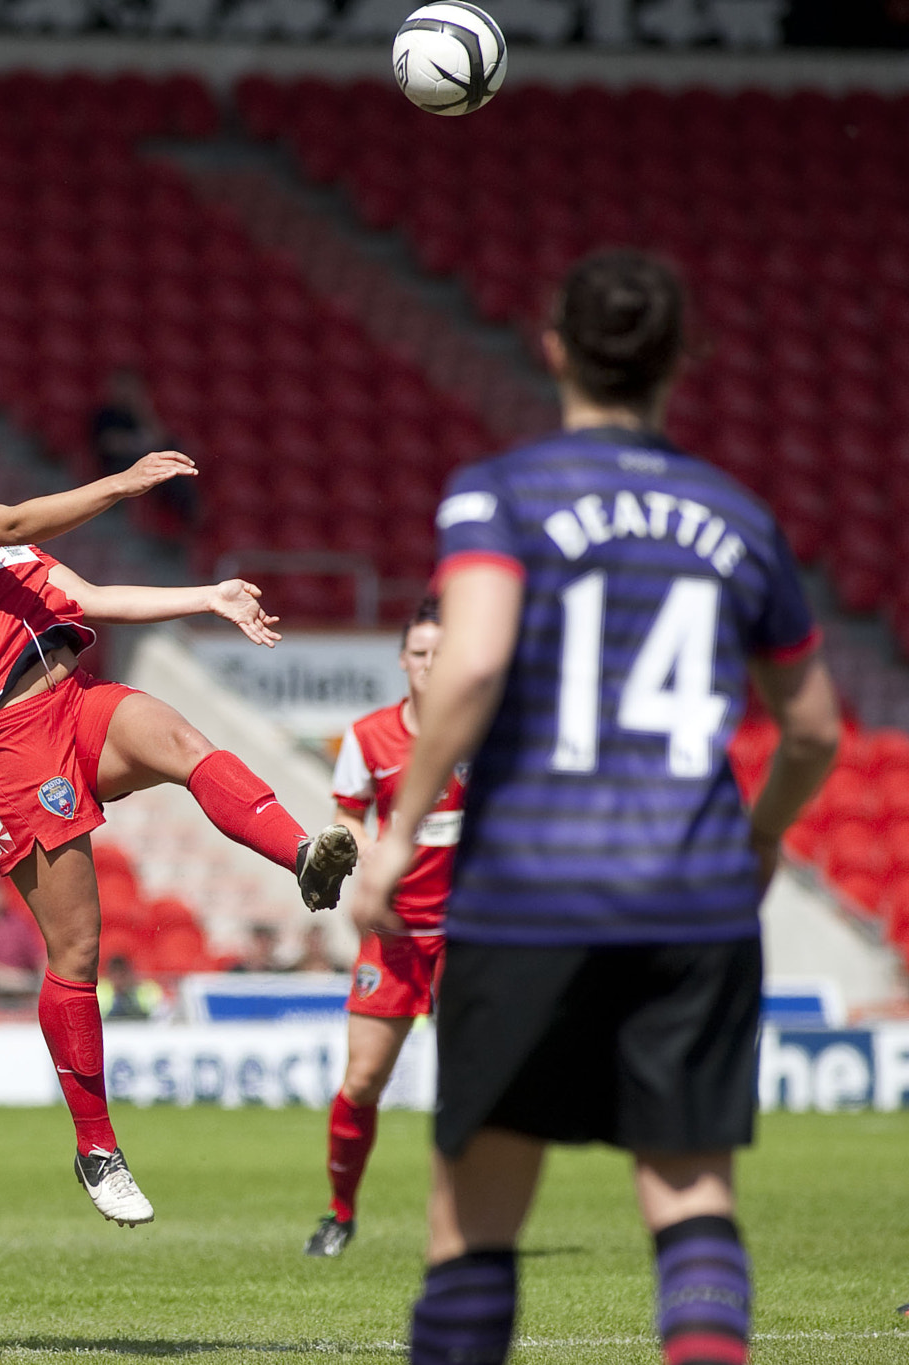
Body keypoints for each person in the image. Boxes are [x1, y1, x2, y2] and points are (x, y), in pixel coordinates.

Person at [350, 251, 840, 1365]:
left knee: (472, 1226)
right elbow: (812, 731)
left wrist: (396, 832)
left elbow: (468, 669)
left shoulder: (499, 492)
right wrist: (759, 841)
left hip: (528, 892)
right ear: (678, 360)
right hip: (694, 895)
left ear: (552, 345)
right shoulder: (739, 516)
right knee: (689, 1198)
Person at [0, 306, 359, 1225]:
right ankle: (96, 1147)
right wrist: (123, 483)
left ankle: (303, 859)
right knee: (77, 949)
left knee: (181, 741)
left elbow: (85, 595)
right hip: (8, 743)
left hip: (70, 700)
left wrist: (206, 596)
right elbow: (12, 514)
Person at [304, 595, 461, 1258]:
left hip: (467, 933)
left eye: (440, 653)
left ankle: (462, 1224)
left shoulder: (481, 731)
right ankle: (341, 1212)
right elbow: (349, 819)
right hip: (393, 933)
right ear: (402, 660)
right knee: (363, 1080)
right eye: (419, 653)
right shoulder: (368, 736)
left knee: (471, 1084)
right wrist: (369, 865)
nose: (429, 664)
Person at [90, 368, 193, 526]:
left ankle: (186, 523)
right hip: (117, 466)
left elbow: (161, 440)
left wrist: (143, 412)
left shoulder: (140, 415)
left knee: (173, 472)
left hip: (145, 462)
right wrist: (137, 445)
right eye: (123, 387)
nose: (126, 392)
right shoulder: (106, 414)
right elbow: (110, 444)